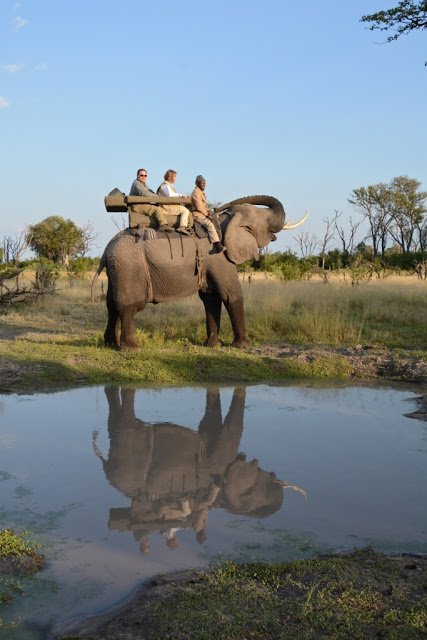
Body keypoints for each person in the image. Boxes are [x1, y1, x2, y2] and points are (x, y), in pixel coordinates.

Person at [191, 175, 224, 252]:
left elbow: (203, 206)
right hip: (197, 215)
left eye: (204, 184)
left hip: (202, 213)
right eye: (202, 183)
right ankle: (217, 244)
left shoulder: (201, 192)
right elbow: (199, 207)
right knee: (209, 224)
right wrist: (206, 214)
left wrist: (208, 211)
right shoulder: (196, 193)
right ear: (197, 183)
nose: (204, 185)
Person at [157, 170, 191, 235]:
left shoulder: (168, 185)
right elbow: (170, 195)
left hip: (169, 205)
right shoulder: (165, 185)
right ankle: (182, 227)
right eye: (174, 177)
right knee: (185, 211)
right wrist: (181, 195)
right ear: (171, 177)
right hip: (166, 207)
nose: (175, 178)